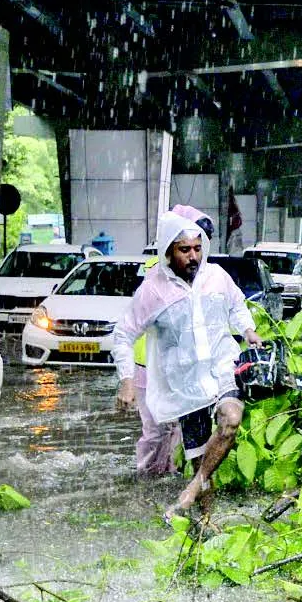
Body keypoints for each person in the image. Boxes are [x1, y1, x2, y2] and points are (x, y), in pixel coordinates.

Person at [112, 210, 261, 519]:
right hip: (185, 384)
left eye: (197, 248)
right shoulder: (153, 290)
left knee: (231, 419)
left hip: (222, 366)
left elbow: (237, 305)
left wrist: (248, 330)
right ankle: (206, 523)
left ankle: (190, 491)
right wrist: (127, 380)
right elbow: (123, 334)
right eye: (185, 250)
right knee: (198, 458)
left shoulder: (216, 275)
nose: (194, 256)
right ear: (169, 251)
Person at [127, 206, 214, 480]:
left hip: (181, 366)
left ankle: (170, 476)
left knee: (177, 428)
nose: (194, 254)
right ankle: (145, 478)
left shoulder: (201, 274)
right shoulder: (158, 271)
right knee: (155, 430)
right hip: (149, 365)